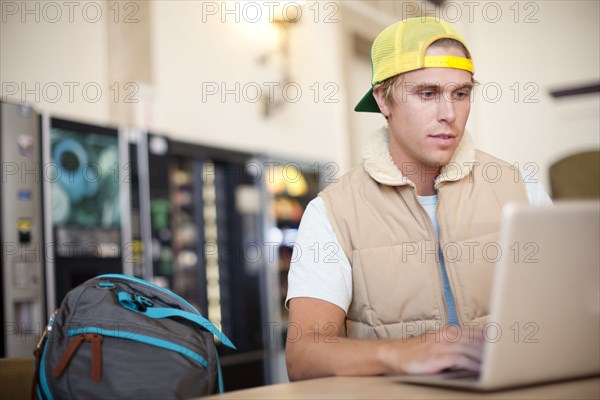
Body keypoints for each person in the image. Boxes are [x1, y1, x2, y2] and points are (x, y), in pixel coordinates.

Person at [285, 16, 551, 381]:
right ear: (383, 99)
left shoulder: (522, 189)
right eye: (427, 93)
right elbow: (304, 356)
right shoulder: (331, 212)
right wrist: (402, 353)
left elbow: (570, 313)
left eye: (461, 93)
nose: (450, 114)